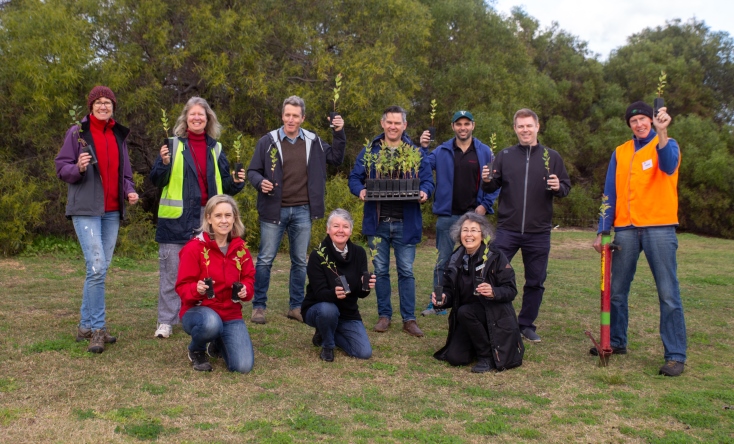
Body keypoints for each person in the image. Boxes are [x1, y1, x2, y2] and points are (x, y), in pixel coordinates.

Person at [592, 102, 687, 377]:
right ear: (629, 125)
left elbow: (668, 167)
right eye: (634, 121)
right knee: (617, 290)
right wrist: (603, 228)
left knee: (668, 294)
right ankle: (616, 341)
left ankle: (675, 355)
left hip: (659, 227)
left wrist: (662, 132)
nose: (639, 124)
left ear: (652, 120)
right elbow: (609, 192)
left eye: (644, 119)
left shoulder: (667, 144)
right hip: (626, 229)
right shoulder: (620, 152)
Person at [149, 97, 245, 339]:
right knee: (171, 272)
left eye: (201, 115)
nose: (197, 118)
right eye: (192, 114)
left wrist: (237, 182)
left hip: (206, 217)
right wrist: (162, 163)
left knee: (205, 271)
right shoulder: (170, 146)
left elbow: (226, 188)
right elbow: (156, 181)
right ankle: (165, 321)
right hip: (176, 218)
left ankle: (198, 314)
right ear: (185, 118)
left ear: (208, 119)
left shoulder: (217, 148)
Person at [55, 85, 139, 353]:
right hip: (86, 209)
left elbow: (124, 173)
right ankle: (98, 329)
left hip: (112, 212)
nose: (104, 106)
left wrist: (130, 190)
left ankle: (84, 326)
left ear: (113, 106)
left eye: (108, 102)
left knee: (98, 270)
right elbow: (61, 167)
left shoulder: (118, 135)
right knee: (97, 268)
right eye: (99, 102)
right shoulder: (78, 134)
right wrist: (78, 168)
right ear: (90, 107)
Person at [247, 96, 346, 324]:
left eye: (295, 116)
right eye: (287, 115)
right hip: (274, 210)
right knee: (265, 260)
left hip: (303, 210)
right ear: (282, 116)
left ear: (303, 118)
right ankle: (259, 306)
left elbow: (337, 158)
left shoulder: (314, 141)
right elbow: (253, 171)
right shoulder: (268, 141)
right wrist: (259, 182)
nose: (291, 120)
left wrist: (339, 133)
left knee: (300, 261)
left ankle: (296, 306)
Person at [481, 108, 571, 343]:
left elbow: (565, 188)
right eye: (520, 126)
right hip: (507, 229)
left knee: (535, 281)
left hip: (538, 232)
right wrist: (486, 180)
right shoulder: (505, 155)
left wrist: (557, 187)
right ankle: (493, 318)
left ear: (537, 127)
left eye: (529, 125)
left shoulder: (551, 156)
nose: (525, 130)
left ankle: (526, 324)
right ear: (515, 129)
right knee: (491, 272)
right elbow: (491, 188)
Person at [348, 105, 434, 337]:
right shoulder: (370, 151)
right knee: (381, 270)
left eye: (398, 123)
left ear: (404, 125)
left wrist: (425, 192)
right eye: (390, 122)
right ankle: (384, 315)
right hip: (378, 223)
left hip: (406, 222)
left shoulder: (415, 153)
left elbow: (427, 181)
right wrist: (361, 191)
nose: (393, 126)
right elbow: (355, 178)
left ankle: (409, 319)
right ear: (382, 123)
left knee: (406, 271)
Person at [420, 110, 499, 317]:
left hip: (475, 216)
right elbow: (422, 168)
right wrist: (423, 147)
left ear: (473, 125)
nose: (462, 127)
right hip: (447, 216)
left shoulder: (485, 152)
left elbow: (496, 183)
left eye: (466, 123)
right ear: (453, 126)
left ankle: (474, 298)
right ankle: (437, 302)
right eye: (458, 124)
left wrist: (484, 205)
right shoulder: (442, 150)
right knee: (443, 261)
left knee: (477, 260)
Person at [432, 213, 524, 372]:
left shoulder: (495, 257)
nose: (468, 235)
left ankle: (487, 356)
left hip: (494, 315)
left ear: (483, 235)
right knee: (456, 358)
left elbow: (511, 290)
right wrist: (443, 299)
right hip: (466, 317)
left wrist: (493, 291)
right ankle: (480, 343)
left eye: (474, 230)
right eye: (465, 230)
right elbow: (449, 290)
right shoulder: (455, 258)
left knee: (466, 311)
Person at [175, 195, 255, 373]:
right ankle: (197, 349)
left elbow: (249, 278)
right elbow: (181, 288)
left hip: (230, 313)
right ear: (208, 218)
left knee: (243, 367)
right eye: (218, 216)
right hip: (200, 312)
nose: (224, 220)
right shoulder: (193, 248)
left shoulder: (241, 249)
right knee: (211, 323)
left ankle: (218, 341)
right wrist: (196, 289)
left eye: (228, 215)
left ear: (235, 218)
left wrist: (246, 289)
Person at [302, 209, 376, 362]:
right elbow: (319, 293)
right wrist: (334, 294)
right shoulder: (318, 255)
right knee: (328, 309)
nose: (341, 230)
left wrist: (366, 286)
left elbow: (361, 294)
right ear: (328, 230)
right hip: (319, 308)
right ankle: (328, 345)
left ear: (351, 230)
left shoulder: (359, 253)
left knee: (363, 352)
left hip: (348, 312)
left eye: (345, 226)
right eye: (336, 226)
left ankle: (326, 330)